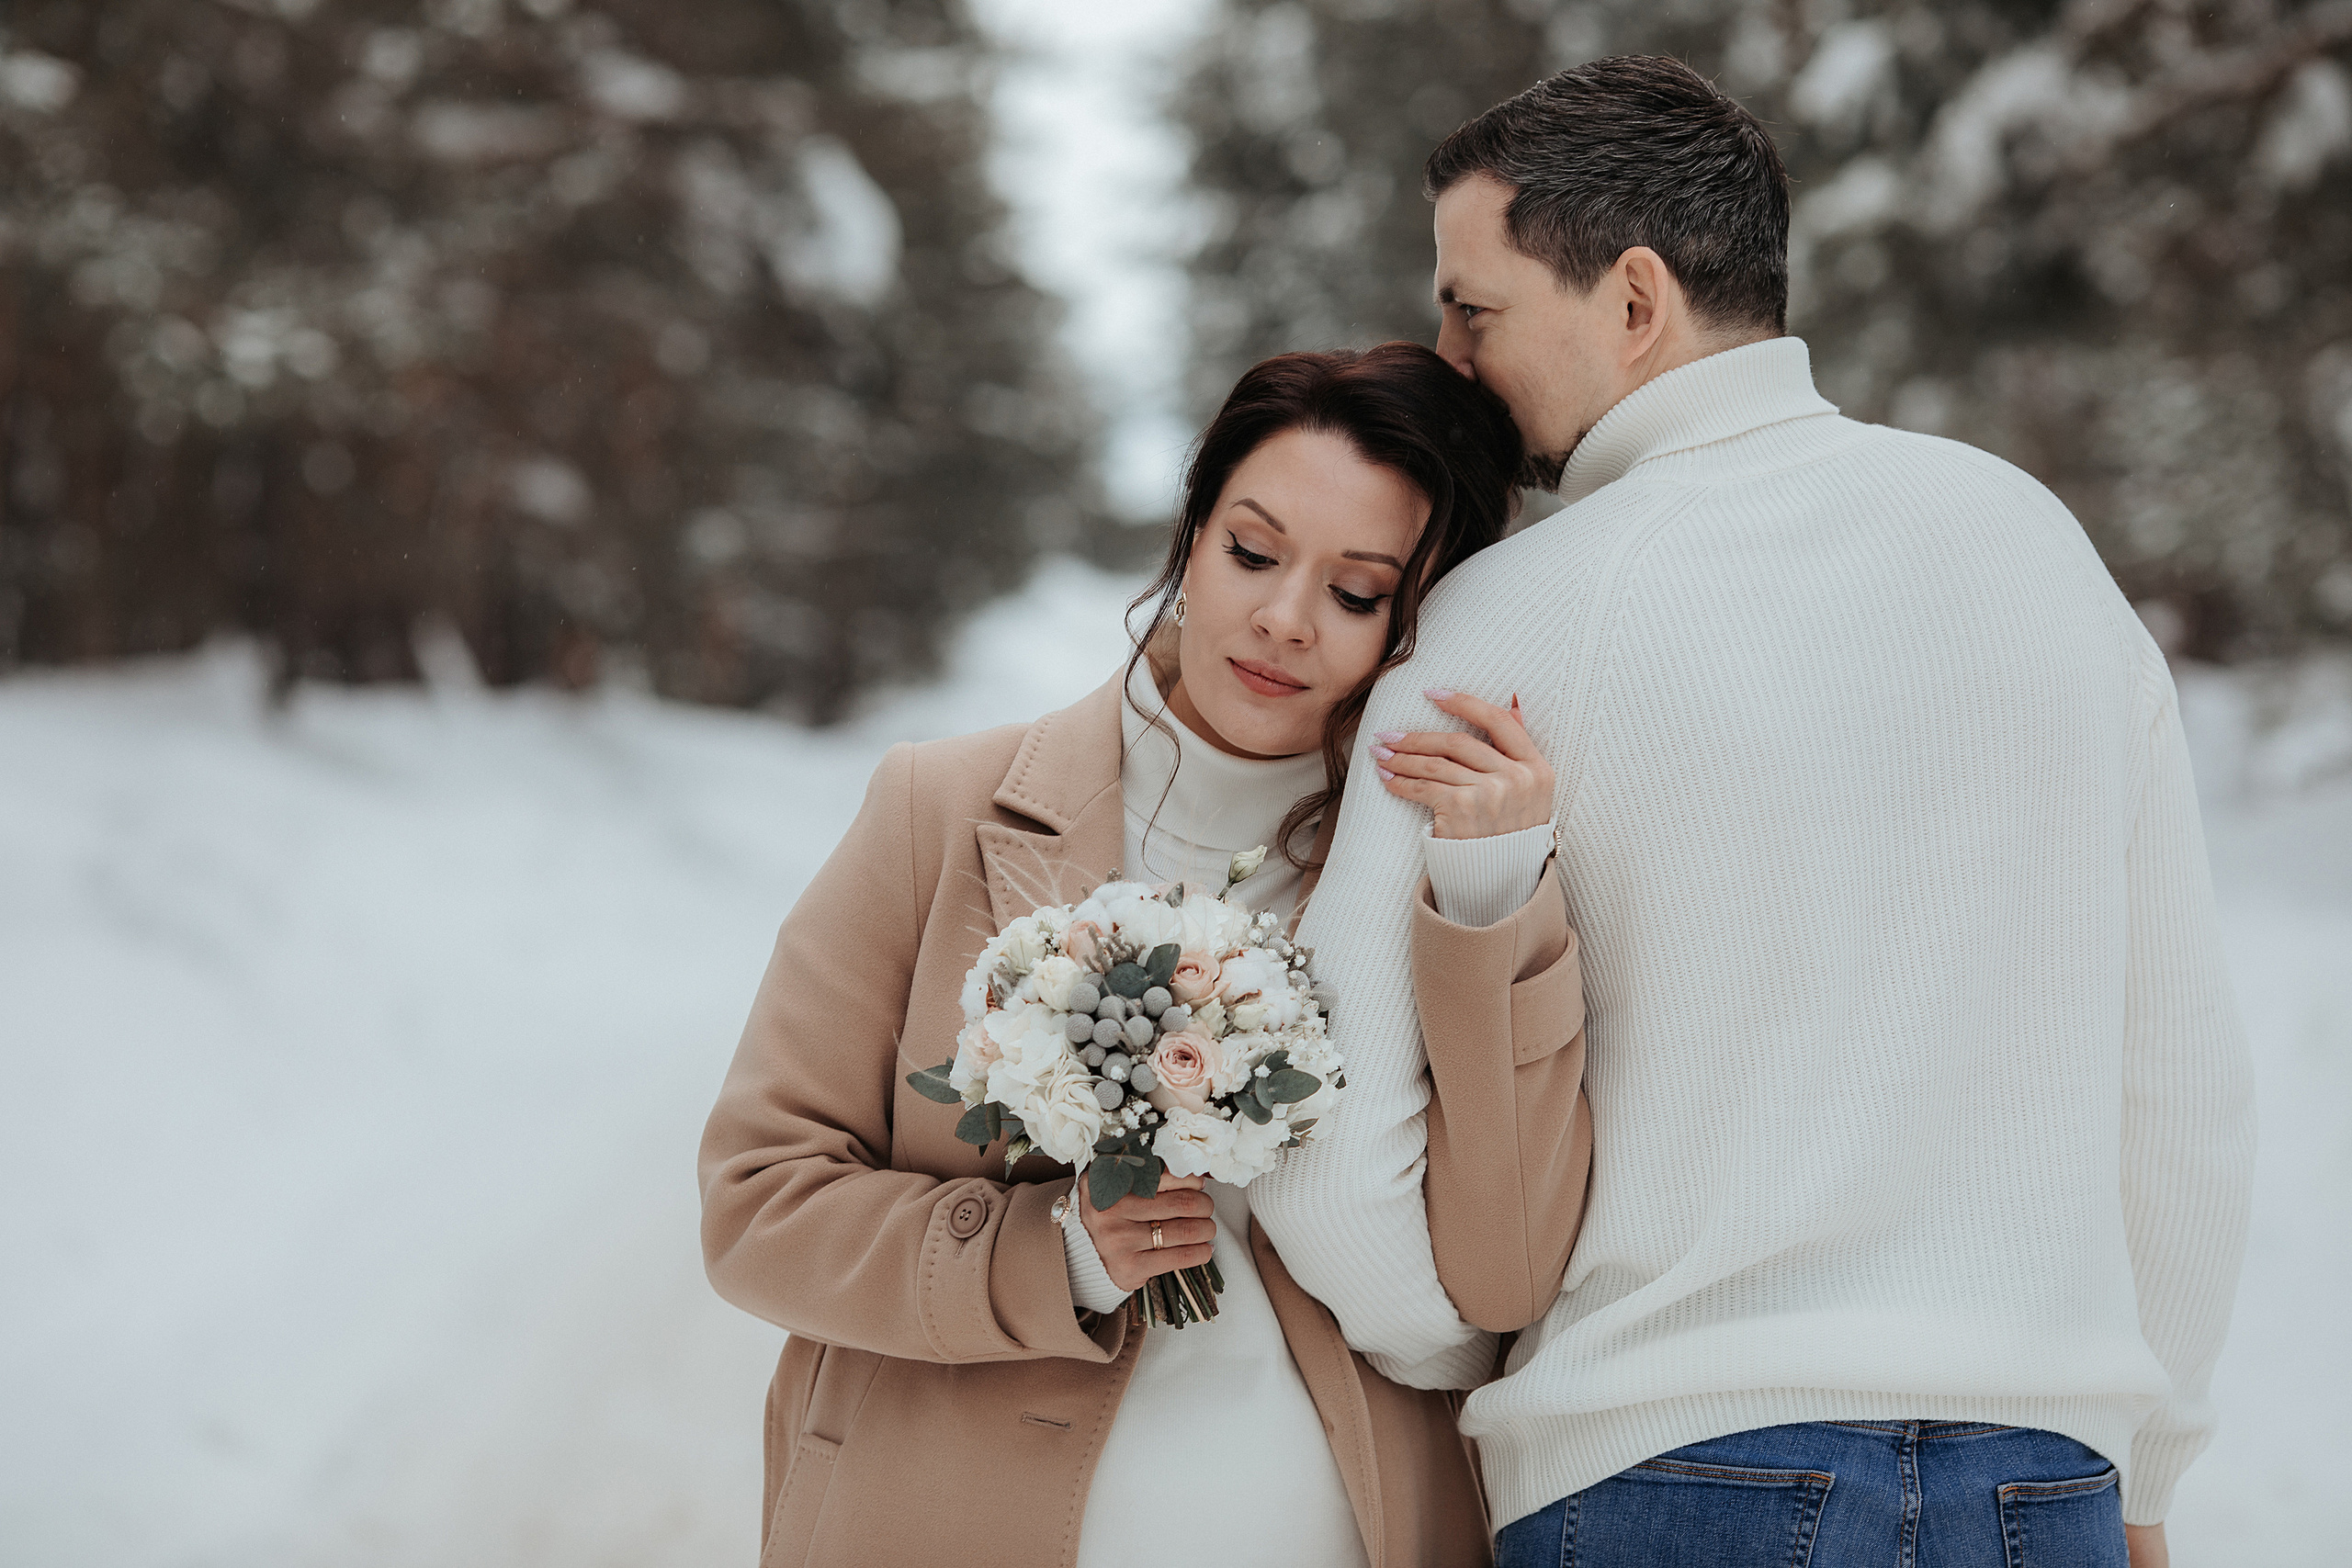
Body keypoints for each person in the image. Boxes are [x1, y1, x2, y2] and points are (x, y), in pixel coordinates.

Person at [1247, 57, 2256, 1568]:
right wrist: (2152, 1464)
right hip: (2043, 1489)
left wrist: (1499, 1360)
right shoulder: (2036, 549)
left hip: (1663, 1473)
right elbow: (2177, 1083)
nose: (1451, 357)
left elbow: (1330, 1157)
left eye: (1478, 308)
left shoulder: (1510, 617)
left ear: (1635, 300)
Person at [698, 343, 1595, 1568]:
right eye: (1253, 551)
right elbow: (761, 1206)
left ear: (1416, 621)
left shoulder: (1429, 879)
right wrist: (1051, 1252)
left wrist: (1493, 890)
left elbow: (1509, 1277)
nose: (1283, 619)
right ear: (1192, 533)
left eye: (1356, 592)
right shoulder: (941, 810)